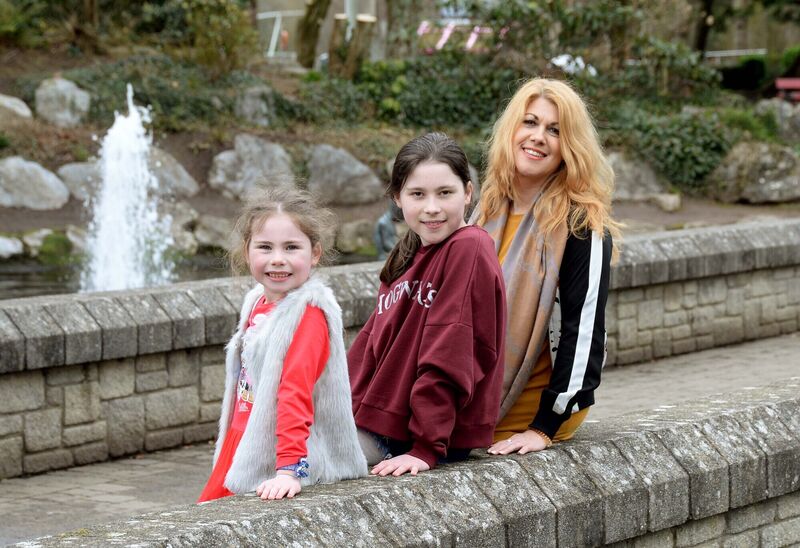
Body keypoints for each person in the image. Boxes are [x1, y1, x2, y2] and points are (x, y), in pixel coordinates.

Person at [474, 78, 621, 456]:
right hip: (474, 393)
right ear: (512, 130)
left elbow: (584, 328)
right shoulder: (485, 212)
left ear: (569, 146)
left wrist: (544, 428)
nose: (538, 137)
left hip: (537, 409)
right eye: (530, 122)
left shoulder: (580, 223)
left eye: (554, 130)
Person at [348, 132, 506, 477]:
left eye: (445, 193)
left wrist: (425, 447)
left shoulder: (469, 248)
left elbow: (451, 350)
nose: (431, 207)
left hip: (410, 437)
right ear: (397, 198)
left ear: (468, 192)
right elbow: (370, 348)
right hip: (373, 419)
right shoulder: (406, 254)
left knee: (292, 468)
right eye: (417, 194)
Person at [198, 186, 367, 503]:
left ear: (314, 253)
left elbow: (295, 392)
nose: (278, 260)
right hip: (246, 438)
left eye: (291, 247)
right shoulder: (257, 302)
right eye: (265, 247)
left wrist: (289, 470)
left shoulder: (307, 315)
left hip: (281, 453)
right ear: (247, 251)